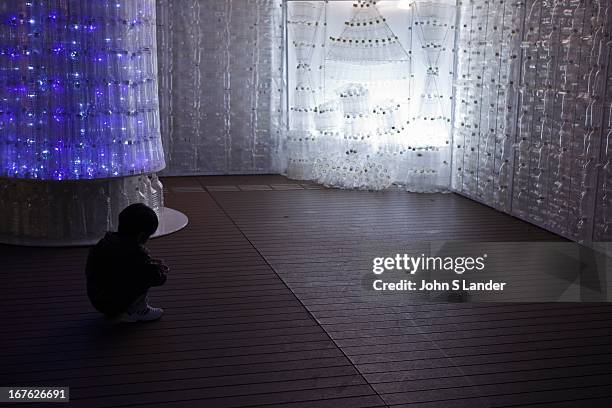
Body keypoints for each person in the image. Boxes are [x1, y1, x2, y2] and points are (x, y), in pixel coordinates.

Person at [86, 203, 168, 322]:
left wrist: (147, 263)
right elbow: (158, 279)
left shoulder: (104, 244)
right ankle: (137, 311)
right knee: (145, 276)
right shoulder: (136, 254)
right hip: (113, 304)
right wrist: (157, 270)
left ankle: (123, 310)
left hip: (97, 297)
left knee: (134, 273)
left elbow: (119, 266)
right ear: (141, 236)